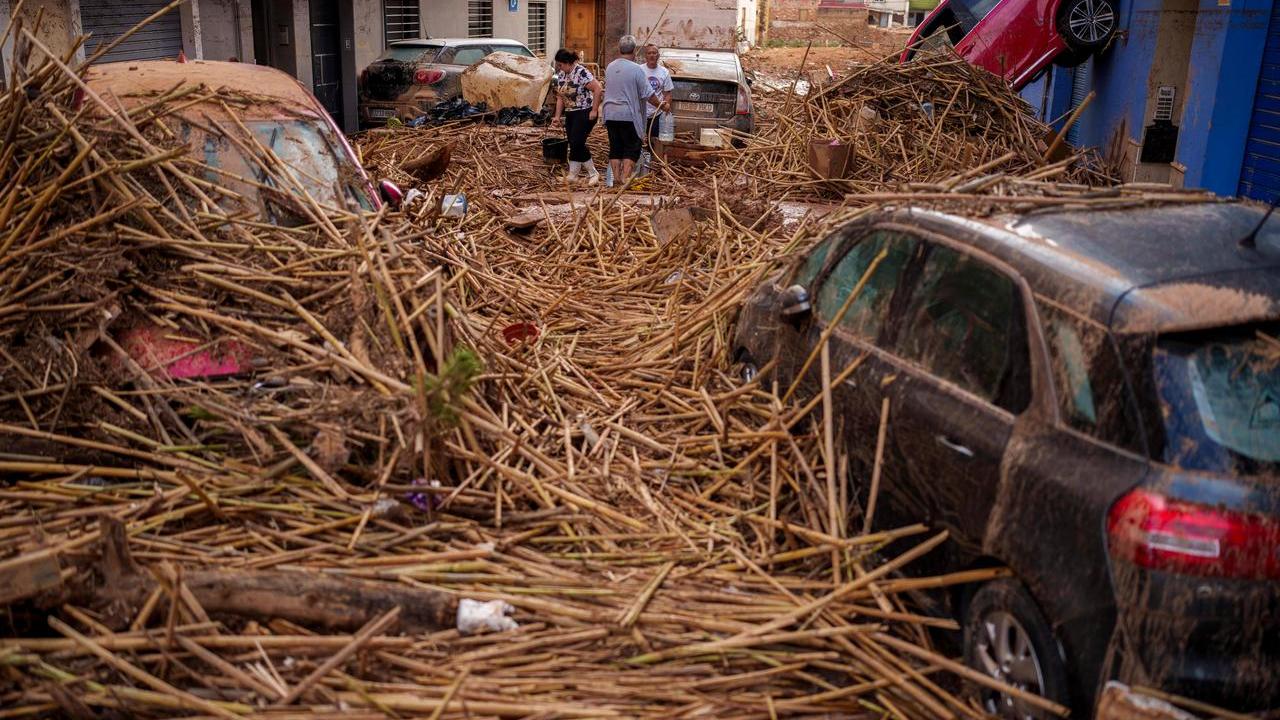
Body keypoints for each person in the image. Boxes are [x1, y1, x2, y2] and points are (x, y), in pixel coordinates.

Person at [601, 35, 662, 185]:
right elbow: (648, 94)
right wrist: (661, 105)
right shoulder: (636, 70)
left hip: (610, 113)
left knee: (615, 146)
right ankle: (625, 179)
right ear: (634, 50)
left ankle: (615, 179)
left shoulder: (610, 67)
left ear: (619, 49)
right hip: (628, 114)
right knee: (631, 147)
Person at [550, 48, 603, 184]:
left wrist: (595, 110)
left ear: (568, 62)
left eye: (560, 65)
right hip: (571, 112)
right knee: (572, 142)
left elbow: (597, 89)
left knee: (577, 142)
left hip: (585, 111)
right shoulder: (562, 75)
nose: (559, 68)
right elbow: (560, 97)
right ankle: (573, 174)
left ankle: (593, 173)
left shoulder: (581, 72)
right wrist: (557, 116)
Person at [641, 44, 673, 151]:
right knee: (638, 141)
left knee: (653, 143)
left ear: (658, 55)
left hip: (656, 114)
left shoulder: (664, 72)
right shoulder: (639, 70)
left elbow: (667, 93)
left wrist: (666, 105)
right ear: (645, 56)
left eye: (654, 53)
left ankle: (652, 164)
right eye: (649, 53)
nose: (651, 55)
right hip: (640, 113)